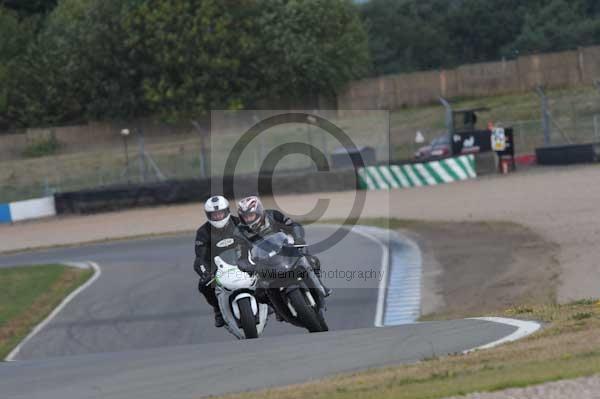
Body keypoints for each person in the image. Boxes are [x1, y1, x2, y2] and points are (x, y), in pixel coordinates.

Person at [235, 195, 331, 297]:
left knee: (310, 260)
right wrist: (246, 265)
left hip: (285, 249)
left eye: (251, 215)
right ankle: (273, 307)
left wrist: (298, 238)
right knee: (259, 292)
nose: (249, 219)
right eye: (246, 217)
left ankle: (319, 285)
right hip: (262, 261)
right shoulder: (240, 231)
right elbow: (240, 253)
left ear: (259, 212)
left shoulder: (273, 215)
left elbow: (292, 225)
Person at [193, 195, 239, 327]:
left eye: (220, 213)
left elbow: (255, 242)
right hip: (218, 269)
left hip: (243, 262)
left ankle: (269, 300)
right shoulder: (203, 232)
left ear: (227, 211)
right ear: (208, 215)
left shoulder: (239, 223)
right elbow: (200, 258)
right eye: (214, 214)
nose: (218, 217)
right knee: (204, 285)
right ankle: (218, 309)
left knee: (266, 271)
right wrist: (206, 273)